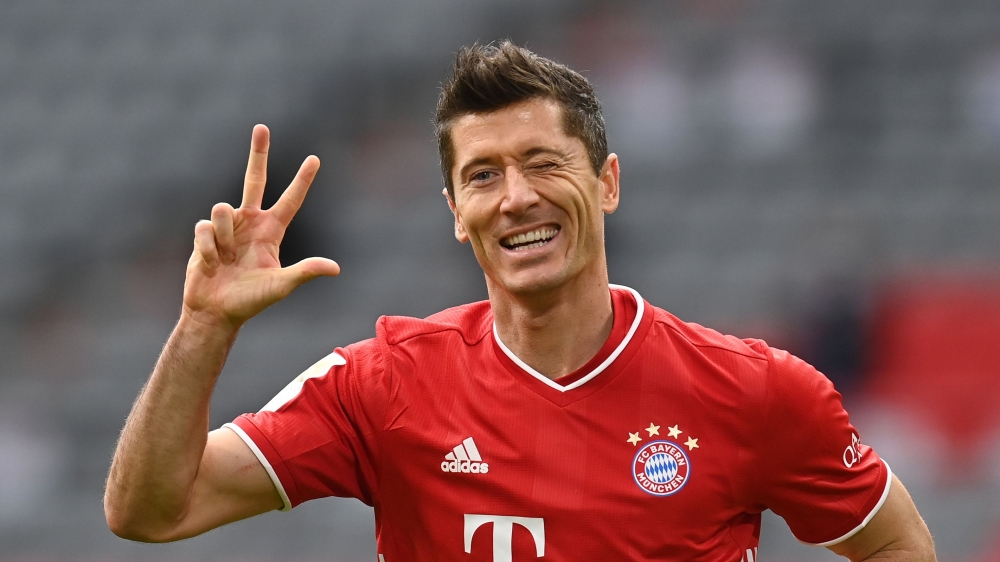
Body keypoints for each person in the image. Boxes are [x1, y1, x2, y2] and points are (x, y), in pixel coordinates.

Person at [104, 42, 936, 561]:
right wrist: (203, 328)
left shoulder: (755, 391)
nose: (516, 198)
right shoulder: (382, 384)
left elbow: (894, 542)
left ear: (606, 183)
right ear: (455, 215)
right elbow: (149, 512)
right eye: (482, 176)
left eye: (544, 162)